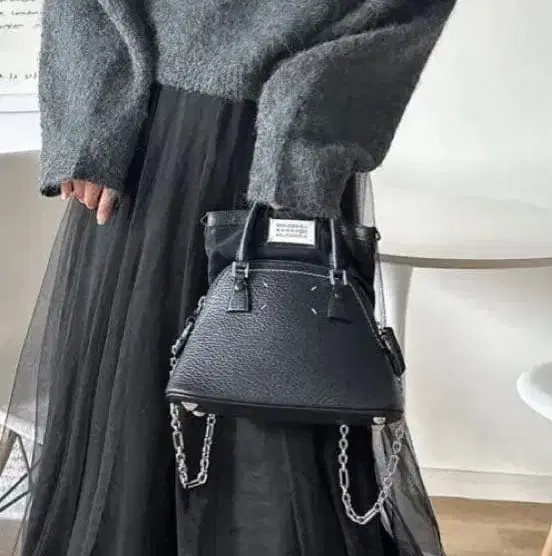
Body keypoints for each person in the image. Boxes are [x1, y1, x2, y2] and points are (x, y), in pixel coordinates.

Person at [3, 1, 456, 555]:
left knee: (277, 424)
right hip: (143, 142)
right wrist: (88, 124)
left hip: (279, 141)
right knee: (131, 427)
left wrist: (299, 144)